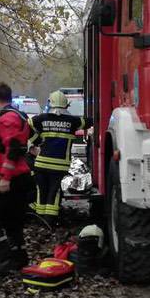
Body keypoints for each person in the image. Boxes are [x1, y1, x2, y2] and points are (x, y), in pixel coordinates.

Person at [0, 83, 34, 278]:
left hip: (12, 178)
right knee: (12, 219)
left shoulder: (7, 119)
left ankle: (6, 258)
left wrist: (5, 178)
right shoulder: (17, 116)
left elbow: (13, 148)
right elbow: (6, 148)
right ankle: (19, 256)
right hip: (18, 176)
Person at [28, 90, 89, 227]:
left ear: (50, 103)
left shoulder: (41, 118)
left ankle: (40, 220)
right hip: (59, 166)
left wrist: (36, 140)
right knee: (54, 193)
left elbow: (25, 125)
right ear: (66, 105)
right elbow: (88, 122)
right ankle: (49, 222)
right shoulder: (73, 121)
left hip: (41, 164)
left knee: (41, 191)